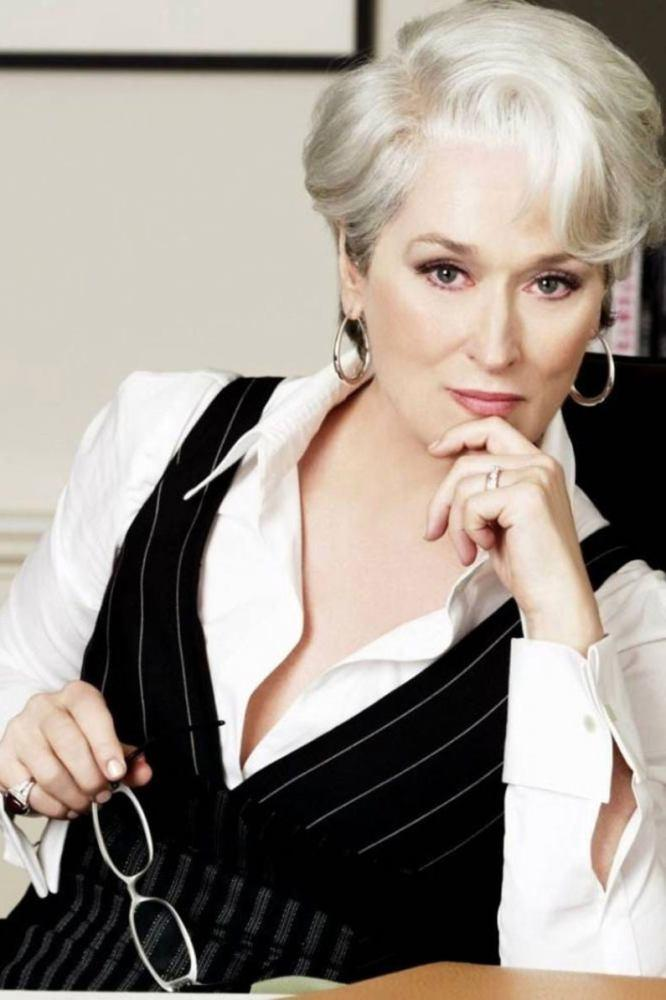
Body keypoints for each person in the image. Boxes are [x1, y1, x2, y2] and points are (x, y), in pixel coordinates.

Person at [1, 0, 665, 989]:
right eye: (446, 270)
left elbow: (596, 982)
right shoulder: (160, 436)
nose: (495, 345)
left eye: (552, 283)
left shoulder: (626, 619)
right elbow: (10, 711)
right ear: (353, 264)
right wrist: (26, 755)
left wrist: (560, 627)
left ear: (601, 301)